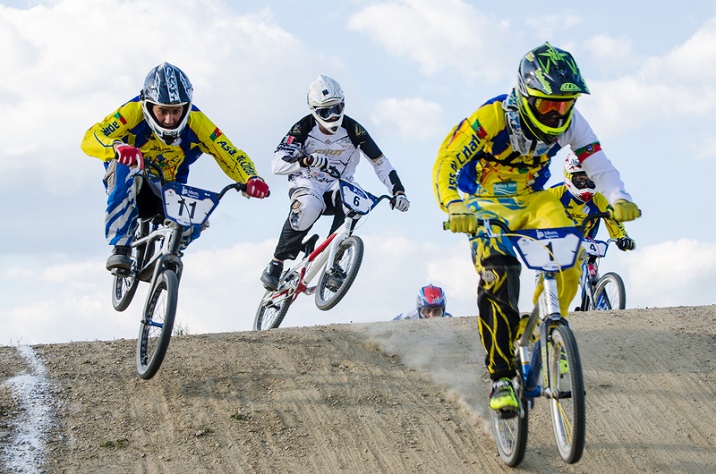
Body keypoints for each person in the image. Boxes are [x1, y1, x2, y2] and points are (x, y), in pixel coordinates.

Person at [432, 43, 641, 416]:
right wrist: (453, 204)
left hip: (533, 200)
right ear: (526, 95)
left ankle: (549, 328)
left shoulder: (573, 122)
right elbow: (446, 161)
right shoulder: (492, 117)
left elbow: (599, 164)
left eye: (566, 103)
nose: (558, 113)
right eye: (548, 104)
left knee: (571, 256)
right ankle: (500, 377)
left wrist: (619, 197)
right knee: (498, 274)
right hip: (483, 201)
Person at [81, 62, 269, 273]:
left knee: (199, 216)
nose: (169, 120)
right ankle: (120, 247)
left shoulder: (198, 121)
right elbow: (91, 137)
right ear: (148, 105)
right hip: (132, 178)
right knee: (124, 168)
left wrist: (251, 178)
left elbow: (230, 154)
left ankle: (169, 255)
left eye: (176, 111)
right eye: (162, 111)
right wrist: (117, 147)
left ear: (186, 107)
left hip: (168, 187)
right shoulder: (132, 112)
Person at [260, 74, 410, 291]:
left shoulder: (354, 130)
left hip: (337, 184)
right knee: (308, 207)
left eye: (337, 109)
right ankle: (276, 262)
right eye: (325, 112)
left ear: (343, 105)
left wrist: (398, 192)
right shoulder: (302, 127)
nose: (332, 117)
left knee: (356, 201)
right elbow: (277, 165)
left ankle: (335, 264)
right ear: (314, 111)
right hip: (307, 182)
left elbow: (380, 163)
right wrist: (305, 161)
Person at [549, 153, 636, 249]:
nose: (586, 185)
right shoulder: (554, 193)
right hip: (552, 243)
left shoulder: (600, 199)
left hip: (584, 247)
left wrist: (623, 238)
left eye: (591, 180)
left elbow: (614, 220)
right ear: (569, 176)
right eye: (581, 180)